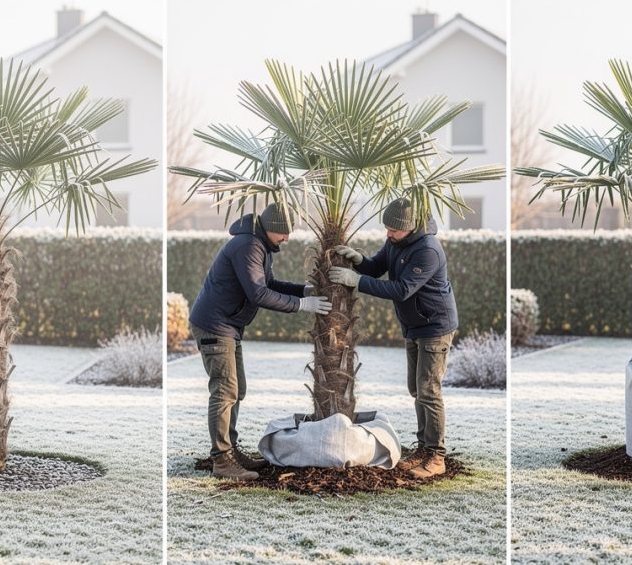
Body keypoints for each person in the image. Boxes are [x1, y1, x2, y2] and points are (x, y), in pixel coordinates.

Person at [189, 203, 332, 480]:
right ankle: (222, 460)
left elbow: (269, 283)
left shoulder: (259, 244)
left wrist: (304, 290)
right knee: (225, 391)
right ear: (272, 228)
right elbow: (258, 294)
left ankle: (229, 450)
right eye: (284, 233)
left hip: (228, 325)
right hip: (215, 325)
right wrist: (303, 304)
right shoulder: (249, 245)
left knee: (236, 389)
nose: (287, 239)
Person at [327, 198, 457, 478]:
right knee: (416, 389)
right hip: (414, 326)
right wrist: (358, 260)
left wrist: (356, 281)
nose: (388, 234)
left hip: (435, 326)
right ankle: (423, 448)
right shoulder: (397, 242)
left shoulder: (428, 250)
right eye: (386, 229)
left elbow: (401, 290)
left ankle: (436, 456)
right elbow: (377, 267)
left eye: (393, 230)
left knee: (429, 390)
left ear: (409, 228)